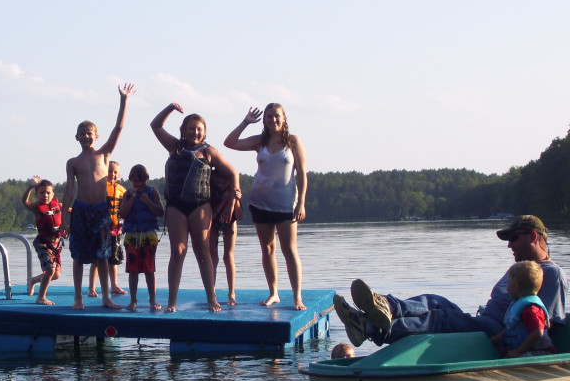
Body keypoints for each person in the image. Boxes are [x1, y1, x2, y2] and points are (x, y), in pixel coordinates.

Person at [334, 215, 568, 347]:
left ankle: (372, 328)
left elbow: (545, 325)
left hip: (499, 334)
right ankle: (384, 306)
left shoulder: (551, 274)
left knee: (443, 318)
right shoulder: (519, 269)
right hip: (484, 322)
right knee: (436, 301)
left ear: (534, 237)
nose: (509, 245)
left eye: (514, 238)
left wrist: (511, 348)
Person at [150, 103, 240, 313]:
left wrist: (233, 201)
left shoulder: (209, 151)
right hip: (176, 207)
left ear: (204, 132)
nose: (196, 132)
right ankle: (172, 302)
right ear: (183, 130)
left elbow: (233, 173)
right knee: (178, 251)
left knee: (203, 252)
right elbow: (155, 126)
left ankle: (212, 298)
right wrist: (170, 108)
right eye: (192, 128)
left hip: (200, 205)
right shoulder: (174, 147)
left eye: (199, 129)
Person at [224, 104, 308, 310]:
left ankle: (297, 297)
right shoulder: (259, 142)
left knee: (290, 250)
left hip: (286, 204)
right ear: (265, 120)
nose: (273, 120)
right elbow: (230, 143)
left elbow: (303, 174)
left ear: (284, 117)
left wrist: (302, 203)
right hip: (260, 202)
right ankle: (274, 293)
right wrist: (245, 122)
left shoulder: (293, 142)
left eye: (277, 116)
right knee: (268, 248)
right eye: (269, 117)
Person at [61, 83, 136, 310]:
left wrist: (124, 100)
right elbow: (68, 190)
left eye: (89, 133)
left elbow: (119, 128)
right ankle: (78, 298)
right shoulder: (73, 162)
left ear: (96, 136)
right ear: (76, 137)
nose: (86, 136)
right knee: (78, 255)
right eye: (82, 133)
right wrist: (64, 217)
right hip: (81, 209)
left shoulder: (104, 155)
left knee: (102, 255)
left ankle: (105, 297)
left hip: (101, 211)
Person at [120, 164, 165, 311]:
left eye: (141, 181)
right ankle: (133, 301)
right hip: (132, 236)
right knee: (133, 270)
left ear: (146, 179)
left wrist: (147, 202)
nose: (138, 185)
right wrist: (132, 200)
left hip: (148, 236)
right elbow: (123, 214)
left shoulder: (152, 192)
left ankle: (153, 300)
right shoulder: (127, 194)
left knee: (149, 270)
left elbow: (160, 211)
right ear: (131, 180)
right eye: (135, 181)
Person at [490, 260, 556, 358]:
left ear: (516, 287)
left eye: (509, 283)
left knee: (510, 359)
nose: (507, 288)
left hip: (538, 353)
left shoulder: (531, 309)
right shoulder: (519, 305)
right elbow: (510, 329)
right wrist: (493, 340)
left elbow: (538, 332)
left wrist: (519, 351)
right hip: (522, 350)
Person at [87, 161, 128, 297]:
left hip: (115, 229)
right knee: (98, 260)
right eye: (109, 171)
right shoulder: (100, 188)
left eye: (115, 172)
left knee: (113, 259)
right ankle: (92, 287)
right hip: (101, 229)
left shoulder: (123, 191)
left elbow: (127, 209)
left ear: (119, 174)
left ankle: (114, 285)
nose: (112, 174)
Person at [21, 176, 63, 305]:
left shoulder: (58, 206)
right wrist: (30, 186)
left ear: (53, 194)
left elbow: (72, 211)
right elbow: (24, 201)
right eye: (42, 193)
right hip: (42, 243)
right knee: (49, 270)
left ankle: (33, 280)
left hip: (55, 244)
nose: (45, 195)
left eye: (48, 193)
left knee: (56, 275)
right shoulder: (36, 208)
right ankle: (41, 297)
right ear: (37, 194)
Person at [209, 167, 243, 305]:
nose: (219, 181)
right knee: (213, 257)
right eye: (217, 177)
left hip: (230, 221)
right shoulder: (210, 190)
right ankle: (212, 292)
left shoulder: (234, 191)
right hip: (213, 220)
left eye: (223, 178)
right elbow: (210, 216)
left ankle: (231, 293)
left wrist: (236, 201)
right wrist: (223, 201)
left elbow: (240, 216)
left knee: (228, 256)